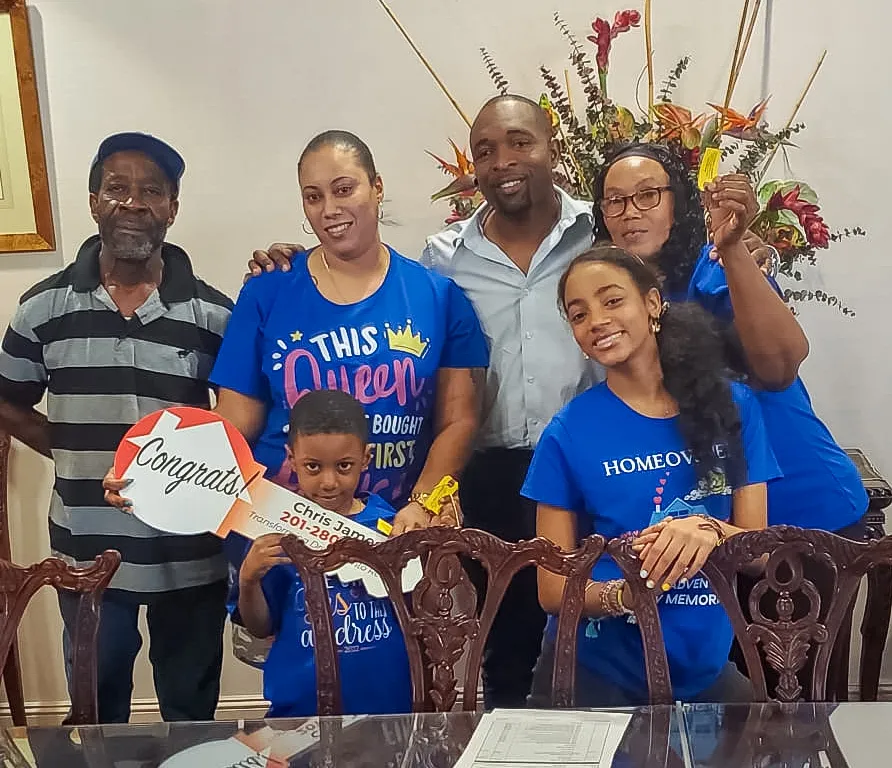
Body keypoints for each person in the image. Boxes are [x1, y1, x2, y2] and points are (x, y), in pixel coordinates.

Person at [0, 133, 233, 723]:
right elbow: (7, 401)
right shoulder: (43, 309)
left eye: (152, 191)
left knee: (191, 711)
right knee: (96, 712)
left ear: (173, 209)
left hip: (190, 555)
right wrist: (70, 448)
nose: (134, 203)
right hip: (85, 551)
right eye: (117, 188)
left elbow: (238, 421)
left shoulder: (214, 315)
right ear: (93, 201)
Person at [524, 244, 780, 706]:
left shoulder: (733, 408)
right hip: (593, 674)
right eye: (578, 315)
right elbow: (552, 589)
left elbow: (759, 555)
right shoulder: (568, 433)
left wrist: (710, 529)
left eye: (612, 300)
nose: (596, 320)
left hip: (702, 673)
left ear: (653, 304)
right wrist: (628, 596)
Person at [210, 130, 488, 534]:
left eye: (343, 189)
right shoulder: (268, 291)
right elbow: (235, 423)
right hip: (280, 533)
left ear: (377, 187)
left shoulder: (439, 298)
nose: (329, 209)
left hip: (394, 534)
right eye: (313, 196)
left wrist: (423, 504)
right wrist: (156, 470)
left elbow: (459, 421)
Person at [592, 143, 868, 539]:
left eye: (648, 195)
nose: (631, 211)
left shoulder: (717, 267)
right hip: (711, 518)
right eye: (615, 201)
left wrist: (733, 245)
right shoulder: (614, 299)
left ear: (678, 202)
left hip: (798, 501)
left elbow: (779, 368)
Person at [227, 389, 412, 716]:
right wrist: (248, 579)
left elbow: (420, 618)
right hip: (298, 711)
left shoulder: (391, 528)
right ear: (291, 458)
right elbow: (260, 627)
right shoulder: (274, 531)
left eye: (344, 466)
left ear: (366, 459)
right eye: (313, 467)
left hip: (388, 709)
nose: (329, 482)